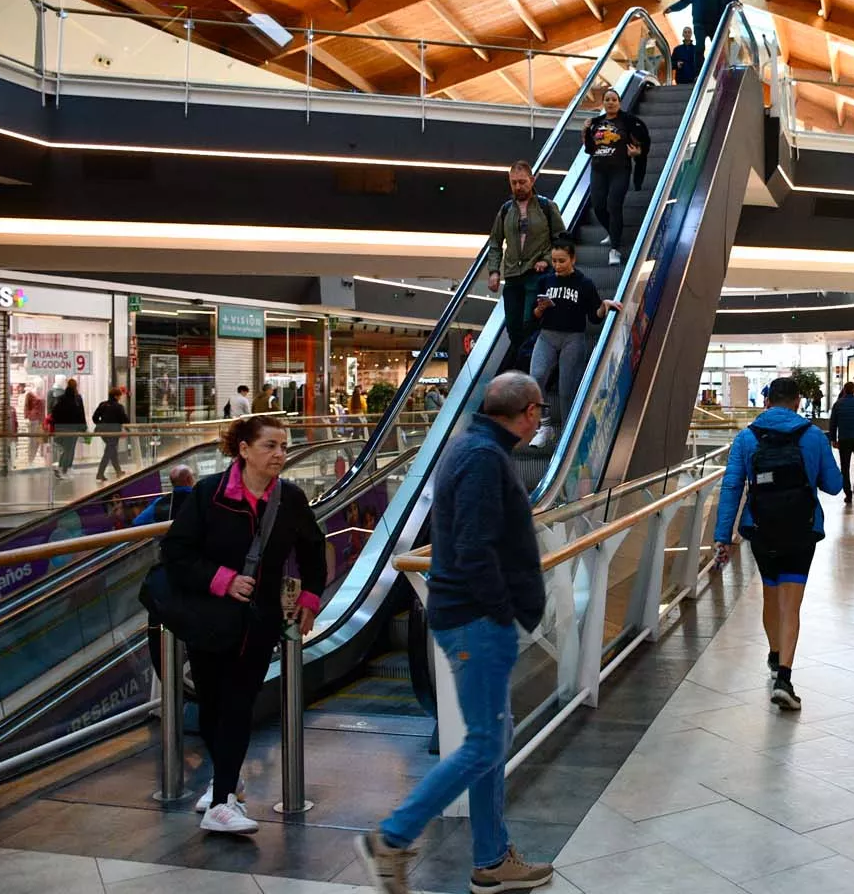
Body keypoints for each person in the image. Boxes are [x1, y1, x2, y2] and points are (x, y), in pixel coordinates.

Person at [358, 374, 553, 894]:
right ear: (530, 412)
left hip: (472, 617)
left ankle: (491, 860)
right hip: (476, 622)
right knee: (485, 743)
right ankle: (393, 836)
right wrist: (500, 611)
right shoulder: (484, 459)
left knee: (494, 737)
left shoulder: (474, 448)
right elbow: (472, 548)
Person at [159, 415, 326, 833]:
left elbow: (312, 549)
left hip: (259, 621)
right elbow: (176, 554)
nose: (280, 455)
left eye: (284, 447)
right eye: (270, 446)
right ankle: (227, 781)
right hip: (208, 619)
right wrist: (223, 579)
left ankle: (220, 804)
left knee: (237, 703)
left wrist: (309, 598)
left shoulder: (289, 498)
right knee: (213, 705)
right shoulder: (208, 494)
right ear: (244, 450)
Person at [712, 377, 841, 712]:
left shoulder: (746, 437)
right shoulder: (813, 436)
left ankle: (773, 654)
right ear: (798, 402)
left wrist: (722, 537)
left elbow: (731, 488)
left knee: (771, 592)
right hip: (802, 529)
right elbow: (834, 485)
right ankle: (785, 676)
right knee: (791, 602)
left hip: (761, 528)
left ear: (767, 401)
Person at [529, 240, 622, 448]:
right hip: (547, 335)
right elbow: (532, 316)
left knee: (567, 388)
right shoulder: (545, 281)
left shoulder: (584, 283)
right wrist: (540, 309)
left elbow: (594, 317)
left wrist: (604, 306)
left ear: (573, 259)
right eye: (554, 261)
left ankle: (567, 435)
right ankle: (544, 426)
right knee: (536, 377)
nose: (557, 265)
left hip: (573, 337)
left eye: (562, 261)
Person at [488, 160, 568, 374]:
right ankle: (530, 370)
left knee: (528, 323)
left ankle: (531, 372)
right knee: (513, 327)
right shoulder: (506, 210)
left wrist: (548, 260)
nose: (518, 187)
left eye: (522, 182)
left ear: (532, 181)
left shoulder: (546, 207)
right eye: (513, 183)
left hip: (537, 274)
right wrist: (494, 271)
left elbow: (561, 239)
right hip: (513, 276)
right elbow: (495, 243)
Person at [582, 89, 650, 268]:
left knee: (614, 204)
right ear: (603, 103)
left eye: (614, 99)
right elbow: (589, 148)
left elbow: (643, 143)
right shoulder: (596, 123)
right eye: (607, 100)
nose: (610, 102)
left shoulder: (628, 122)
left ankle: (615, 249)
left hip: (620, 169)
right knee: (598, 206)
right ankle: (612, 232)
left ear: (619, 102)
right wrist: (585, 130)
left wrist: (638, 153)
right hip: (598, 170)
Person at [665, 0, 739, 65]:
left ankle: (722, 71)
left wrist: (738, 6)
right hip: (700, 24)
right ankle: (698, 74)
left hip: (717, 24)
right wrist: (672, 8)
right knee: (699, 48)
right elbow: (685, 1)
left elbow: (733, 0)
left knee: (719, 50)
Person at [49, 378, 86, 477]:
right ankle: (64, 468)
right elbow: (81, 413)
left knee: (66, 448)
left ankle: (64, 468)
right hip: (72, 427)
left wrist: (56, 424)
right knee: (70, 449)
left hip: (61, 427)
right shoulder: (77, 398)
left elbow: (54, 412)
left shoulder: (61, 398)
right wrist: (83, 426)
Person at [92, 386, 128, 482]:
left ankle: (118, 471)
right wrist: (128, 429)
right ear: (116, 396)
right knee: (108, 452)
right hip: (114, 432)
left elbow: (95, 417)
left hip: (103, 432)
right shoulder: (119, 407)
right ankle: (100, 473)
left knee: (112, 451)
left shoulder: (103, 404)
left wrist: (100, 425)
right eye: (119, 396)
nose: (120, 398)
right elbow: (124, 420)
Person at [24, 383, 47, 464]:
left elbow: (44, 409)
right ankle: (30, 460)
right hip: (33, 420)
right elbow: (26, 406)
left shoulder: (42, 395)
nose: (40, 386)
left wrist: (44, 421)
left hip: (41, 421)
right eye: (38, 384)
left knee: (38, 440)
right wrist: (27, 417)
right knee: (32, 441)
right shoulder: (30, 394)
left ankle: (32, 459)